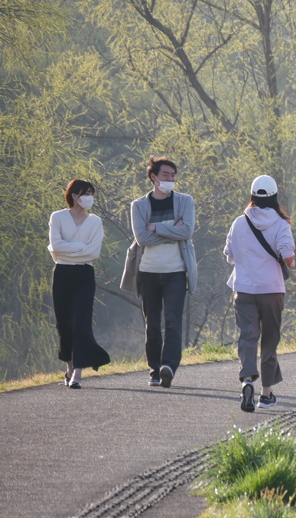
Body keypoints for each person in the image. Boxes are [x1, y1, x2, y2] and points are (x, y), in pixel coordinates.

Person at [224, 175, 296, 412]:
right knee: (270, 340)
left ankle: (246, 380)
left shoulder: (239, 222)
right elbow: (288, 256)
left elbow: (230, 256)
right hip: (272, 290)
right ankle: (265, 395)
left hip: (243, 289)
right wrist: (289, 261)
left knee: (247, 336)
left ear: (252, 195)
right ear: (275, 196)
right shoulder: (281, 224)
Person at [125, 156, 198, 388]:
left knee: (173, 321)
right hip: (148, 272)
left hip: (176, 271)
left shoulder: (185, 201)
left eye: (173, 175)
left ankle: (169, 366)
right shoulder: (138, 205)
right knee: (152, 324)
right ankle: (154, 369)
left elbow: (186, 232)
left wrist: (156, 227)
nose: (171, 179)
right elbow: (141, 238)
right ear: (153, 177)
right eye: (166, 175)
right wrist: (170, 229)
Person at [47, 179, 111, 388]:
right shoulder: (57, 217)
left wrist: (68, 248)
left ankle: (78, 374)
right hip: (62, 273)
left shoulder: (95, 221)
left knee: (80, 322)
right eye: (86, 193)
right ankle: (69, 368)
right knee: (64, 324)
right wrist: (79, 247)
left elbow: (93, 252)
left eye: (92, 194)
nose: (90, 198)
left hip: (84, 273)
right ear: (75, 196)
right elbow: (55, 246)